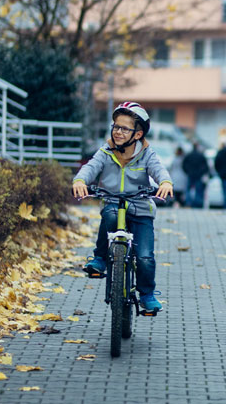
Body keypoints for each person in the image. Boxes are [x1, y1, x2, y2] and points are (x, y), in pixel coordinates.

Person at [72, 101, 174, 312]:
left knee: (145, 257)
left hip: (141, 208)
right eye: (116, 126)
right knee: (109, 215)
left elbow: (159, 170)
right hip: (113, 202)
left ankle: (146, 294)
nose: (118, 132)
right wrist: (80, 181)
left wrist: (165, 182)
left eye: (124, 128)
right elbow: (90, 168)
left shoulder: (147, 154)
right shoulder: (106, 151)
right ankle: (100, 258)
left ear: (137, 134)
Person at [182, 142, 209, 208]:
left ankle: (188, 203)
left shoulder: (189, 155)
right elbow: (205, 166)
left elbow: (184, 164)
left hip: (190, 174)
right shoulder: (201, 155)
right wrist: (201, 172)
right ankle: (197, 204)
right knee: (198, 190)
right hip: (198, 175)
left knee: (188, 189)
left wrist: (187, 171)